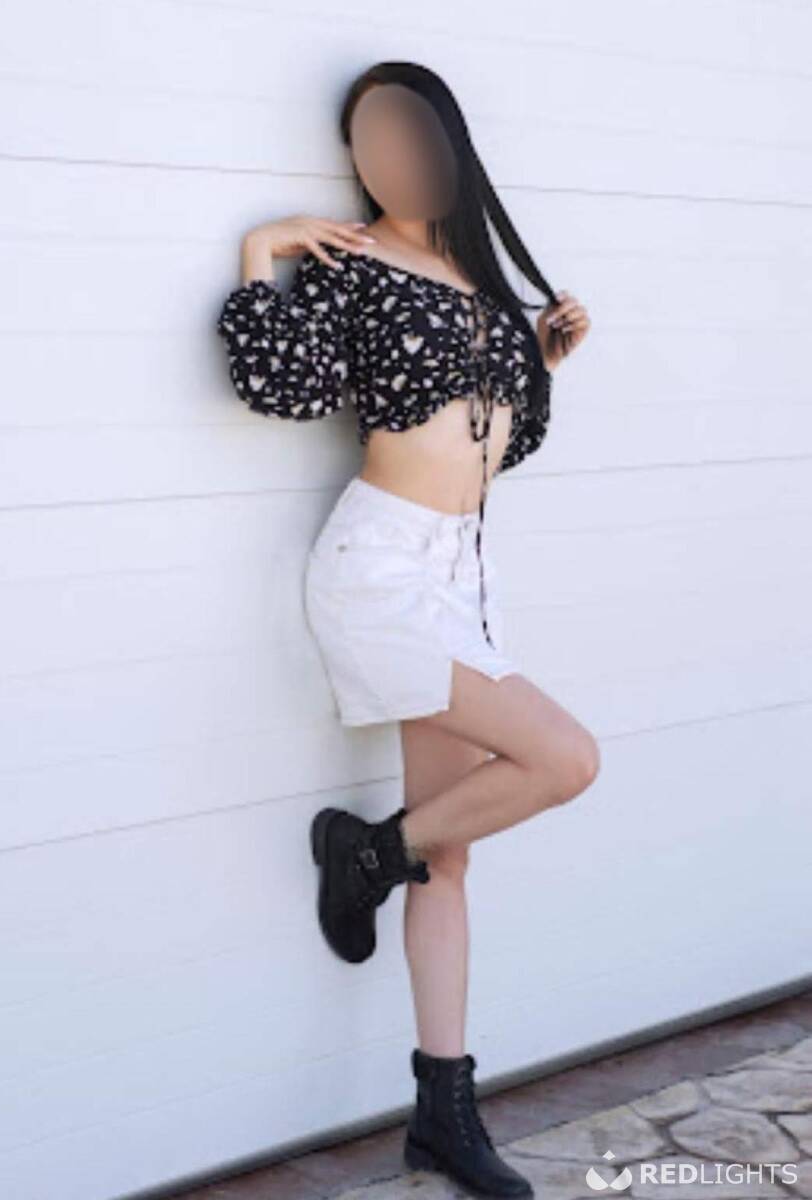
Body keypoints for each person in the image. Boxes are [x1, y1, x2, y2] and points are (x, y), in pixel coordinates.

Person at [216, 61, 596, 1200]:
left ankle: (442, 1112)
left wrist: (535, 365)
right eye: (365, 139)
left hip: (462, 575)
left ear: (446, 143)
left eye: (403, 132)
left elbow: (491, 452)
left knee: (450, 855)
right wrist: (260, 253)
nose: (386, 155)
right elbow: (283, 389)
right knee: (564, 758)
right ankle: (368, 856)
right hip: (378, 570)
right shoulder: (352, 260)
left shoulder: (478, 277)